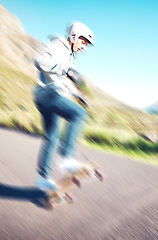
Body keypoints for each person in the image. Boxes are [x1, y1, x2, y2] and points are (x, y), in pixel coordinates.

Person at [33, 22, 94, 191]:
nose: (84, 48)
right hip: (48, 93)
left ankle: (43, 178)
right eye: (83, 42)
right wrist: (66, 69)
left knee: (51, 136)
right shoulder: (58, 45)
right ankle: (66, 158)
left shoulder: (69, 56)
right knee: (79, 114)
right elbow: (39, 61)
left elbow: (62, 81)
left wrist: (78, 95)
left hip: (45, 96)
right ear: (74, 36)